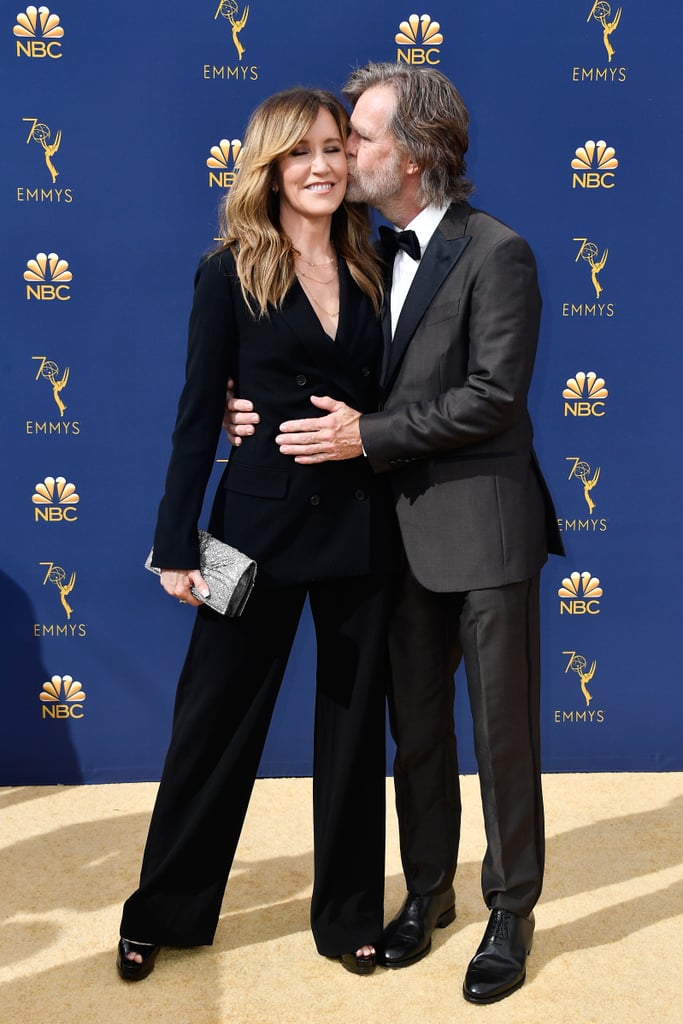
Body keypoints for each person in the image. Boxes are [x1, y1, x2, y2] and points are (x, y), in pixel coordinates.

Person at [226, 62, 564, 1004]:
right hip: (396, 543)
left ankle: (510, 914)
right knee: (414, 734)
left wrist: (362, 436)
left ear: (410, 158)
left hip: (486, 534)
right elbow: (318, 356)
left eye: (361, 139)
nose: (343, 153)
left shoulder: (499, 253)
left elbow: (493, 399)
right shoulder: (367, 256)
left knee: (501, 742)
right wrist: (240, 404)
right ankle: (428, 894)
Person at [117, 86, 398, 983]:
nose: (322, 165)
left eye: (333, 148)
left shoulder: (381, 262)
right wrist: (174, 542)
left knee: (354, 737)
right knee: (211, 728)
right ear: (270, 167)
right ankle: (161, 909)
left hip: (361, 529)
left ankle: (350, 915)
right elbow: (199, 413)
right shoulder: (230, 269)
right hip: (251, 536)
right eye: (300, 151)